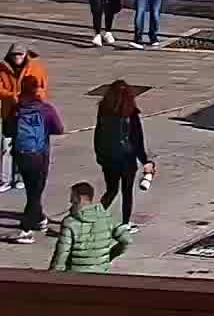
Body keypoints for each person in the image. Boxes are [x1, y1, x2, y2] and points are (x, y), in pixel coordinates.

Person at [10, 75, 63, 242]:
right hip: (40, 155)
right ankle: (26, 229)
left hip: (21, 154)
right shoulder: (45, 109)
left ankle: (39, 218)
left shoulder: (17, 108)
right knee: (35, 192)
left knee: (31, 189)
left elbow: (8, 130)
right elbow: (59, 129)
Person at [93, 81, 149, 230]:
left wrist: (99, 154)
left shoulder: (104, 110)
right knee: (127, 192)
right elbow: (137, 140)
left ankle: (96, 218)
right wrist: (144, 160)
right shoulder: (131, 113)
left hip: (108, 158)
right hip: (127, 158)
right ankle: (125, 223)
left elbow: (98, 134)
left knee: (111, 190)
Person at [46, 182, 130, 271]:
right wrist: (108, 257)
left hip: (75, 275)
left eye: (73, 197)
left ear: (80, 198)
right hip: (100, 272)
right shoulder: (107, 218)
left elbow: (62, 254)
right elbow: (126, 241)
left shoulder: (70, 223)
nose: (70, 201)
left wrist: (53, 275)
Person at [2, 43, 52, 191]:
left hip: (27, 113)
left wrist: (31, 99)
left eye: (20, 54)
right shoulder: (3, 68)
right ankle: (5, 179)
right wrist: (12, 96)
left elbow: (42, 89)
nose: (17, 57)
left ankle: (19, 177)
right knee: (6, 147)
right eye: (14, 55)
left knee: (22, 147)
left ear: (25, 55)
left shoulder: (36, 68)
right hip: (9, 112)